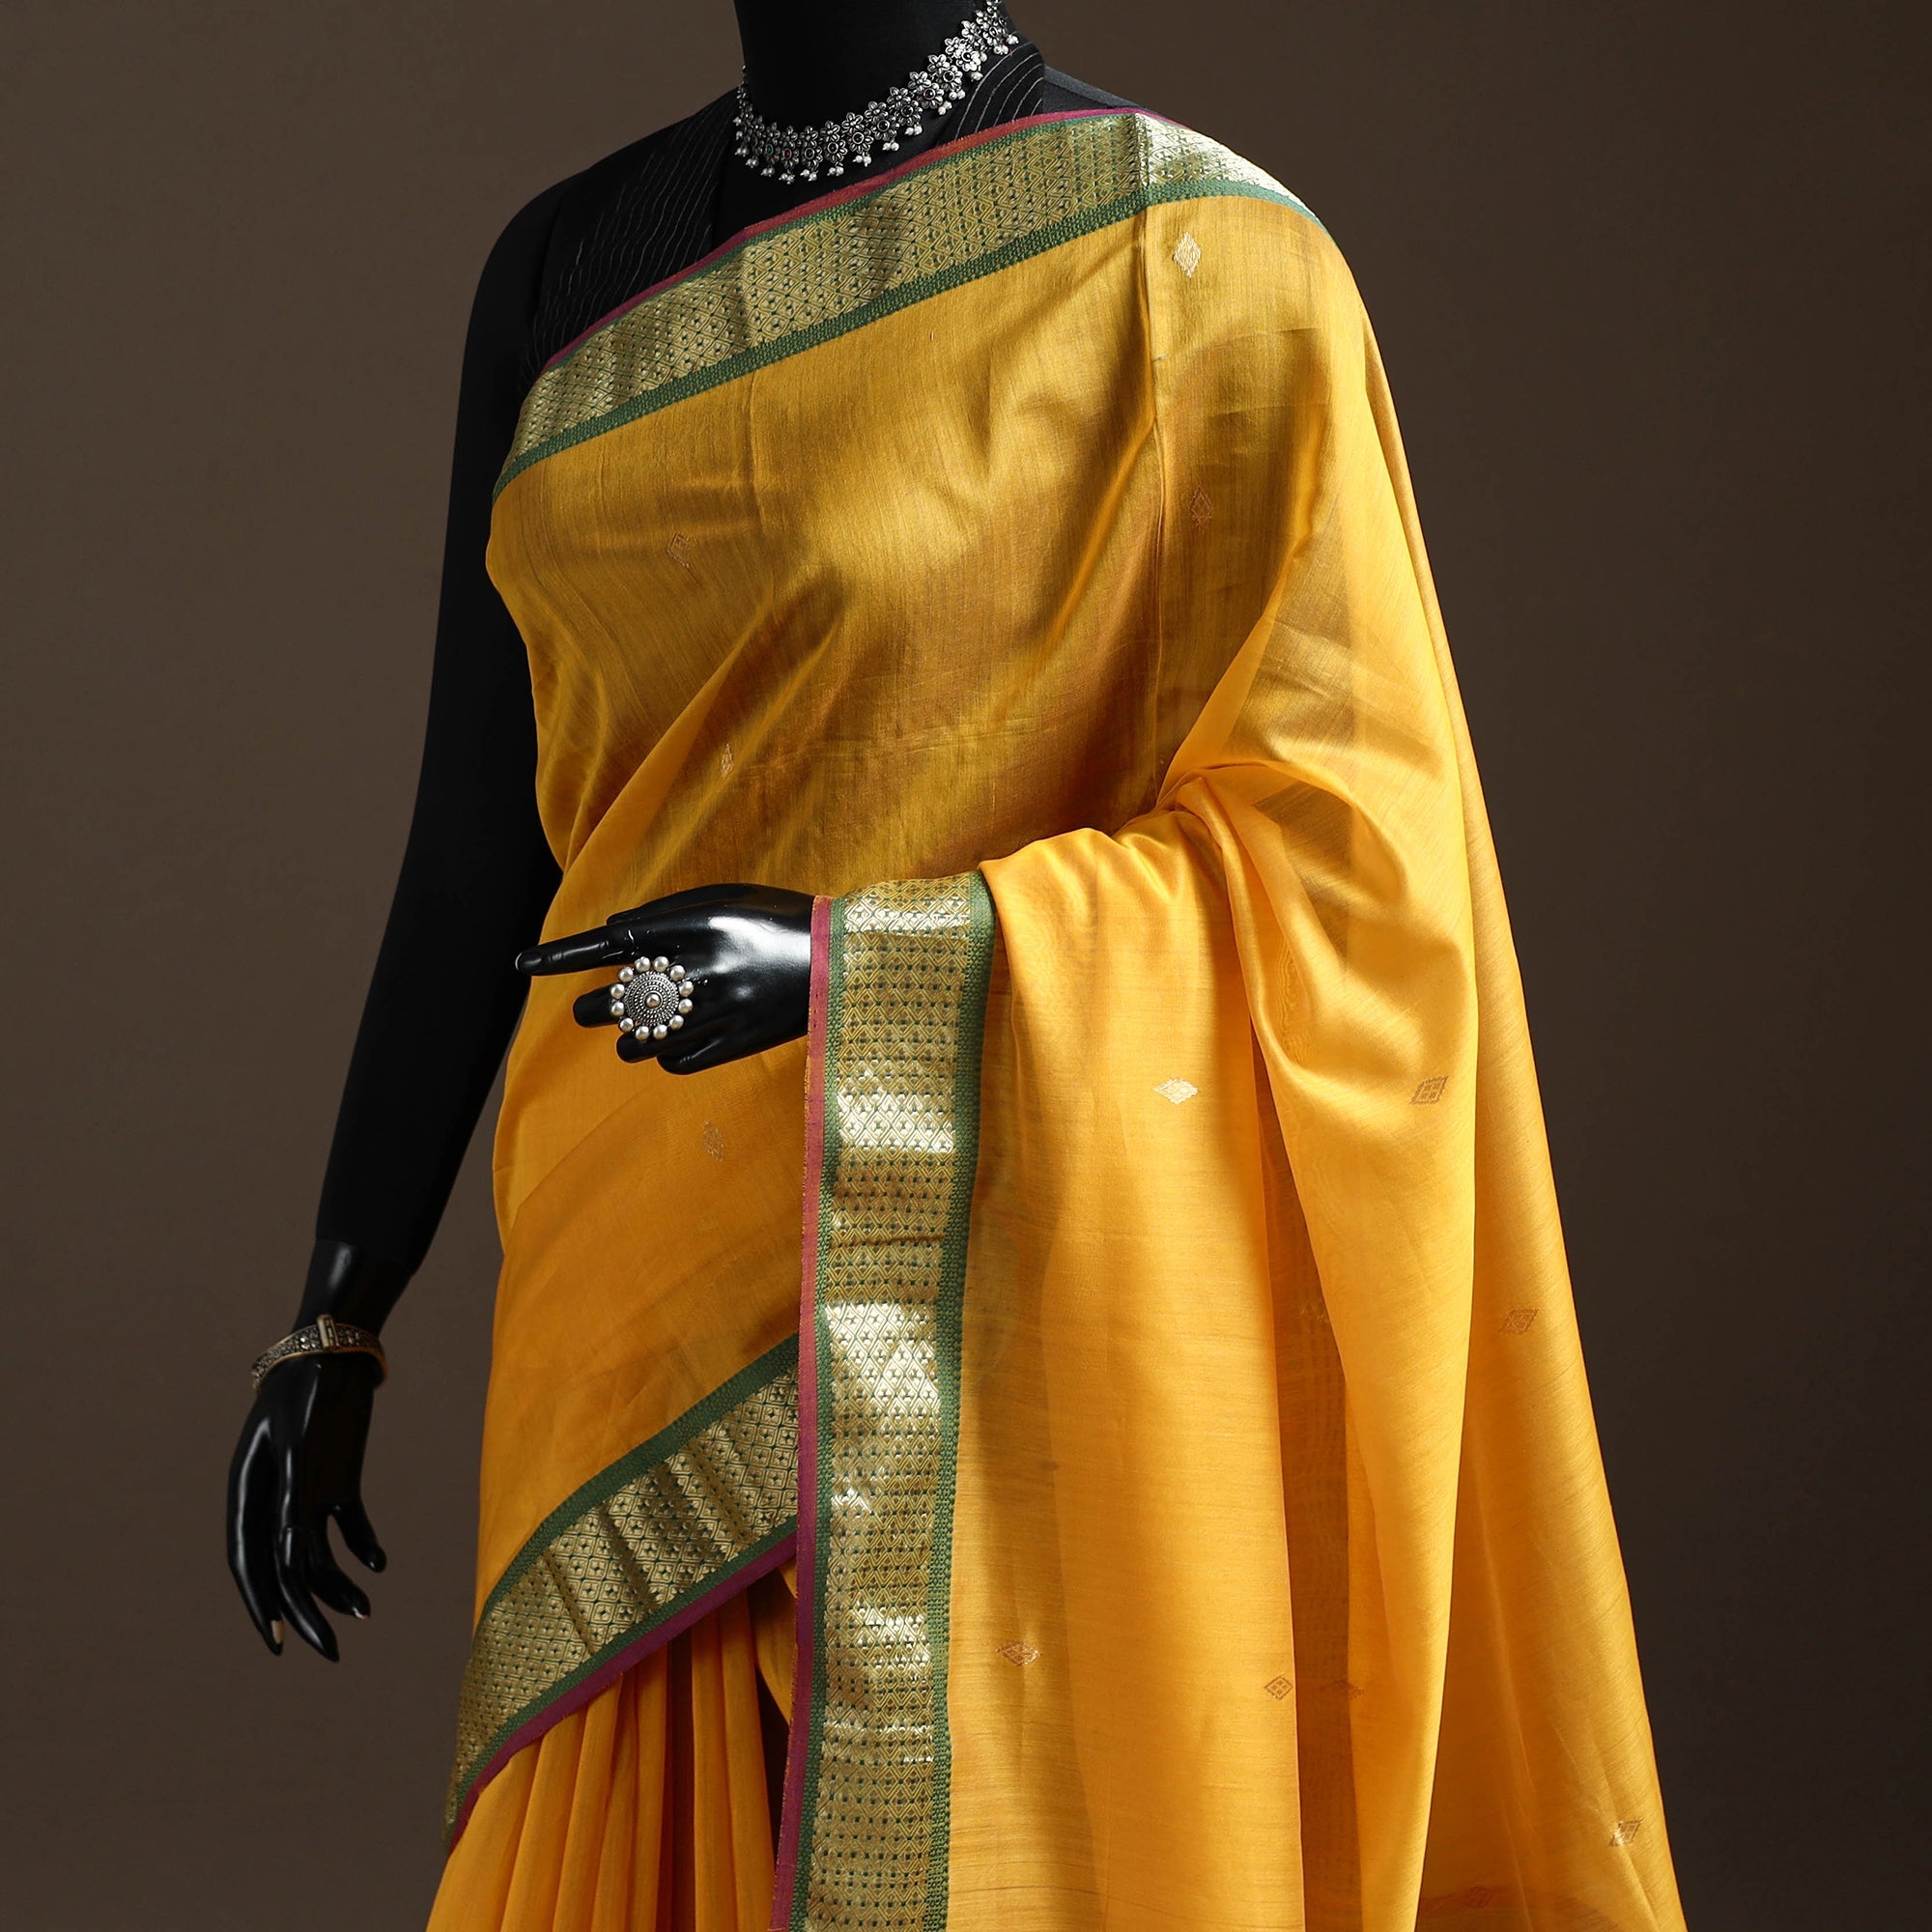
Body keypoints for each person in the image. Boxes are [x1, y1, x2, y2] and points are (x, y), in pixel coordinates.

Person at [227, 6, 1691, 1927]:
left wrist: (864, 966)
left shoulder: (1196, 259)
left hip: (985, 1250)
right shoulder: (563, 271)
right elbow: (472, 841)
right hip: (627, 1269)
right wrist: (340, 1312)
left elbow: (1350, 863)